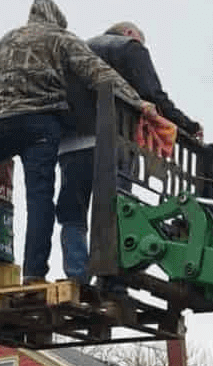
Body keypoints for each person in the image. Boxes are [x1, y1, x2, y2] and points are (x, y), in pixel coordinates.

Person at [0, 0, 156, 284]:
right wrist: (138, 102)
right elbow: (100, 74)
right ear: (56, 20)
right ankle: (34, 273)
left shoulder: (7, 41)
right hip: (43, 126)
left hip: (4, 123)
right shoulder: (62, 38)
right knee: (40, 199)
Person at [56, 21, 203, 288]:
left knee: (72, 213)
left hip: (69, 145)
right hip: (114, 141)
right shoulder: (129, 47)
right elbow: (152, 95)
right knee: (117, 209)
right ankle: (112, 280)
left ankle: (77, 276)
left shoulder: (74, 51)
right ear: (129, 33)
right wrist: (188, 126)